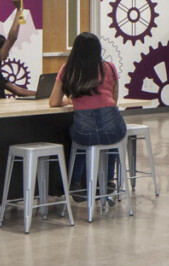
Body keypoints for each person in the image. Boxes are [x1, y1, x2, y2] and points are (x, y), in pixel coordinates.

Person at [50, 31, 126, 189]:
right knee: (110, 137)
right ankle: (108, 180)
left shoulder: (68, 70)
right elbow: (114, 98)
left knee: (79, 137)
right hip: (114, 126)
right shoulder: (110, 68)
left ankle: (76, 182)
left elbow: (54, 102)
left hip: (85, 130)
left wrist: (69, 100)